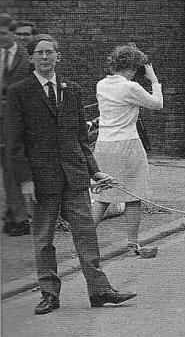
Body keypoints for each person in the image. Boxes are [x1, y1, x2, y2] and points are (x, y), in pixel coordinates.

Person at [5, 34, 136, 314]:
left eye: (49, 52)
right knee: (44, 240)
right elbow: (14, 144)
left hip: (73, 177)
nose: (44, 57)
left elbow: (81, 138)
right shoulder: (19, 92)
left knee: (86, 234)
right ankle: (49, 293)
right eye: (39, 53)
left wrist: (95, 171)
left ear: (57, 57)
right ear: (31, 59)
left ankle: (99, 291)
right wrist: (25, 180)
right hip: (41, 182)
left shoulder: (72, 90)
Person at [91, 44, 164, 258]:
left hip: (103, 145)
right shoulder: (130, 88)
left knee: (103, 196)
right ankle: (132, 245)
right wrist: (154, 80)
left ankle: (83, 240)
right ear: (133, 67)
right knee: (133, 195)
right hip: (127, 145)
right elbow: (157, 104)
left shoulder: (101, 85)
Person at [1, 16, 34, 237]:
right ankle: (14, 215)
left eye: (3, 34)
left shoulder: (26, 58)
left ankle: (20, 218)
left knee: (13, 168)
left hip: (16, 122)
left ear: (13, 34)